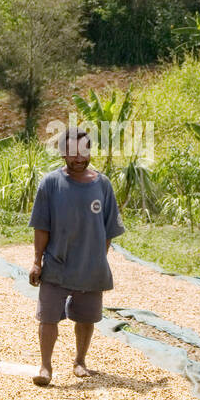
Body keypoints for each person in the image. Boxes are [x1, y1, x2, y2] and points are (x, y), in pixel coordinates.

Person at [28, 127, 125, 386]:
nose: (79, 159)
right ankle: (45, 366)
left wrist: (99, 257)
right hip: (57, 265)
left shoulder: (102, 185)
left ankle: (80, 361)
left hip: (90, 268)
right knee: (48, 316)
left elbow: (108, 229)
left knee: (86, 317)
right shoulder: (50, 183)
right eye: (72, 153)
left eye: (84, 152)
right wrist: (37, 261)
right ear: (63, 154)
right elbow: (41, 226)